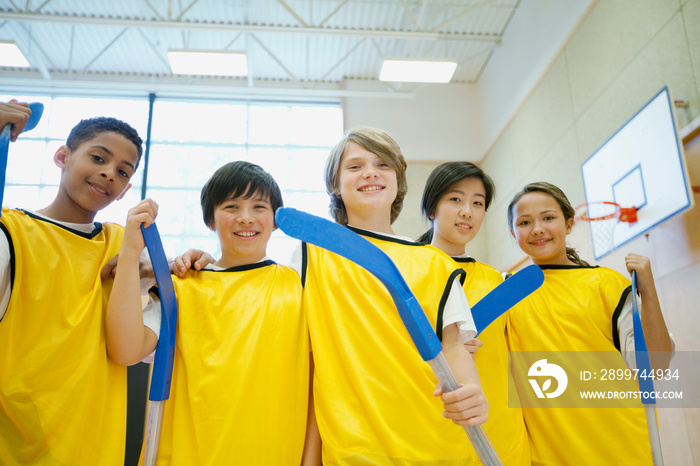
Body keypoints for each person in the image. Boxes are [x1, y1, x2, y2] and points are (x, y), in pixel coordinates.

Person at [293, 127, 488, 464]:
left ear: (398, 182)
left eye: (383, 165)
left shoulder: (435, 263)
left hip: (440, 444)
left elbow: (454, 345)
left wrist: (472, 391)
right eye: (354, 167)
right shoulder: (313, 253)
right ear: (335, 186)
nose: (370, 172)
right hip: (356, 448)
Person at [106, 161, 315, 464]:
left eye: (259, 207)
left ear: (275, 219)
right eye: (231, 206)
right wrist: (130, 254)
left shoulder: (299, 286)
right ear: (211, 219)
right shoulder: (183, 286)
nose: (245, 218)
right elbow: (126, 351)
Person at [0, 116, 145, 464]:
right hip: (20, 444)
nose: (110, 173)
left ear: (125, 191)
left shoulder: (123, 245)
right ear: (63, 156)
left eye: (123, 172)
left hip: (94, 447)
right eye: (98, 158)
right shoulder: (11, 233)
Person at [506, 181, 673, 465]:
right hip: (551, 453)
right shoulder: (506, 292)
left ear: (569, 224)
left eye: (548, 218)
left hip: (625, 446)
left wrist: (649, 291)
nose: (537, 228)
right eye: (524, 222)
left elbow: (655, 366)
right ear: (513, 233)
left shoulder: (606, 283)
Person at [417, 161, 530, 465]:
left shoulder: (497, 281)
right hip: (431, 434)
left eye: (477, 203)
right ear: (432, 208)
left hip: (501, 437)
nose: (467, 211)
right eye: (455, 199)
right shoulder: (409, 272)